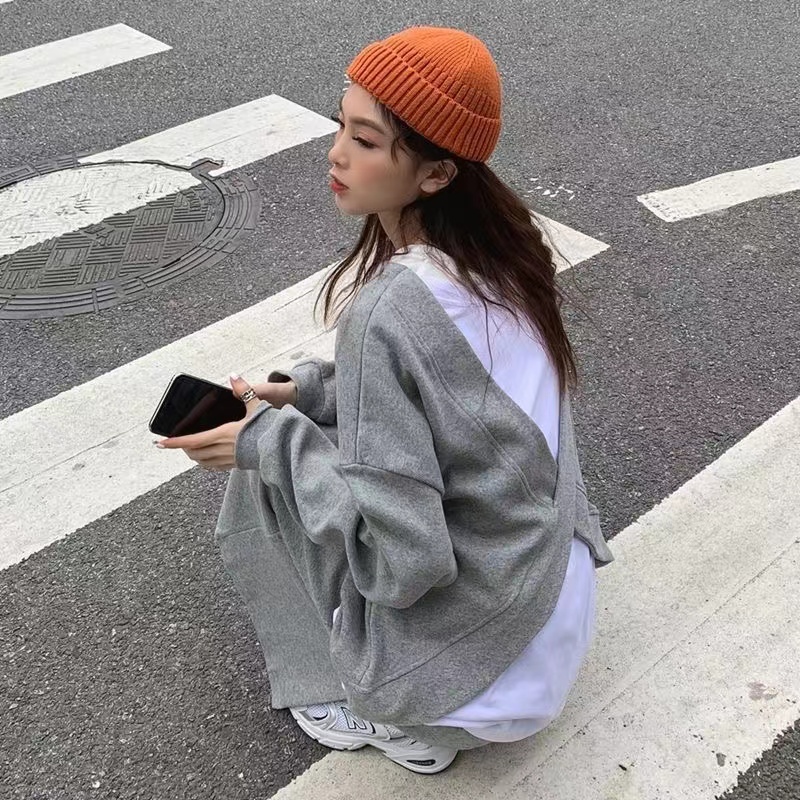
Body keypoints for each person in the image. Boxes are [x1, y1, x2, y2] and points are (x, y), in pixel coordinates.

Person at [156, 26, 614, 775]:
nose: (335, 154)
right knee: (288, 426)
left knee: (266, 463)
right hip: (543, 612)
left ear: (436, 174)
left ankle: (364, 708)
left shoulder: (389, 310)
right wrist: (305, 393)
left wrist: (266, 440)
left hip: (470, 687)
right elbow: (454, 397)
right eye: (340, 124)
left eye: (365, 140)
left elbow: (404, 563)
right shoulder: (508, 255)